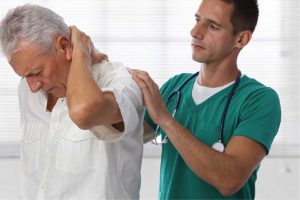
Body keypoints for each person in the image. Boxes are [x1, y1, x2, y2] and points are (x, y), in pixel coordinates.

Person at [130, 0, 281, 199]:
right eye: (197, 19)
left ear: (241, 39)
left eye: (212, 26)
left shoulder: (258, 100)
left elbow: (229, 180)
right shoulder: (176, 86)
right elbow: (125, 135)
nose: (195, 32)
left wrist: (166, 120)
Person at [0, 4, 144, 200]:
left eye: (36, 72)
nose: (32, 86)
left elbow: (83, 112)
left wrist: (82, 51)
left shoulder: (122, 83)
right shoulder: (28, 89)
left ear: (65, 46)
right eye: (25, 76)